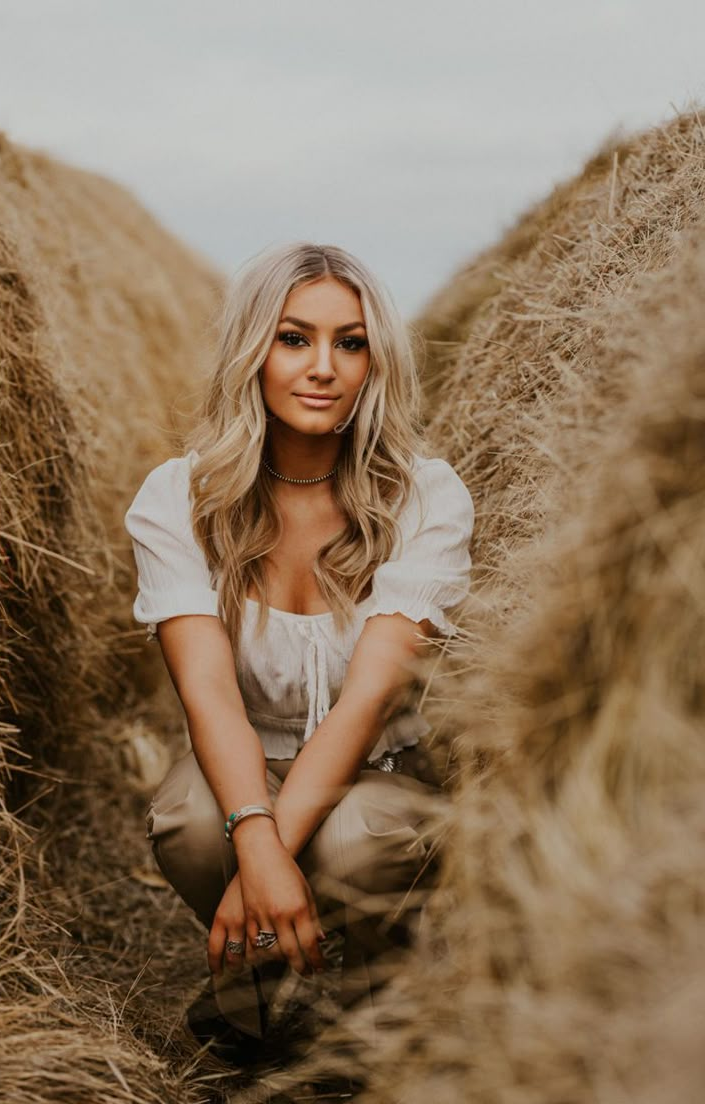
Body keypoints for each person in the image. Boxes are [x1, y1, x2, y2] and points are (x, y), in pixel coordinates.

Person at [123, 241, 474, 1064]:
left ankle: (379, 981)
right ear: (253, 350)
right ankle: (264, 981)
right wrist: (256, 845)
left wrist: (263, 864)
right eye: (294, 338)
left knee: (359, 837)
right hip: (245, 765)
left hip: (378, 776)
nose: (323, 366)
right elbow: (207, 694)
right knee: (186, 817)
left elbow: (367, 705)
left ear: (374, 362)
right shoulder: (180, 496)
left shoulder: (426, 495)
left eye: (349, 343)